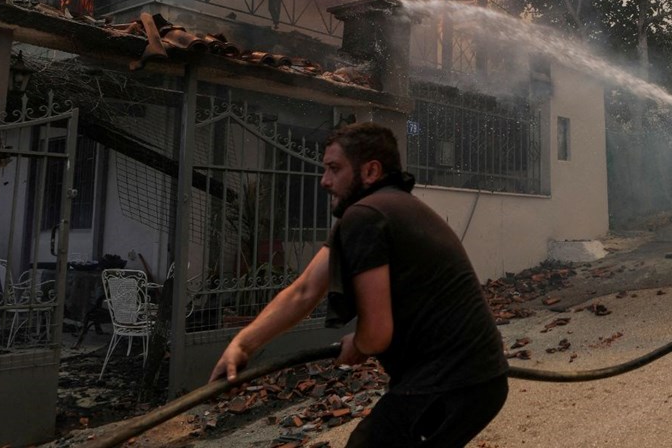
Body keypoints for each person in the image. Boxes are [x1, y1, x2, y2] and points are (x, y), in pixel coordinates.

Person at [211, 122, 509, 447]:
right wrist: (242, 344)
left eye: (334, 169)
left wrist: (360, 343)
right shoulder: (381, 209)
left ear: (370, 171)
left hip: (454, 379)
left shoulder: (366, 216)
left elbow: (377, 333)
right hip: (471, 378)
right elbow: (304, 290)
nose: (325, 181)